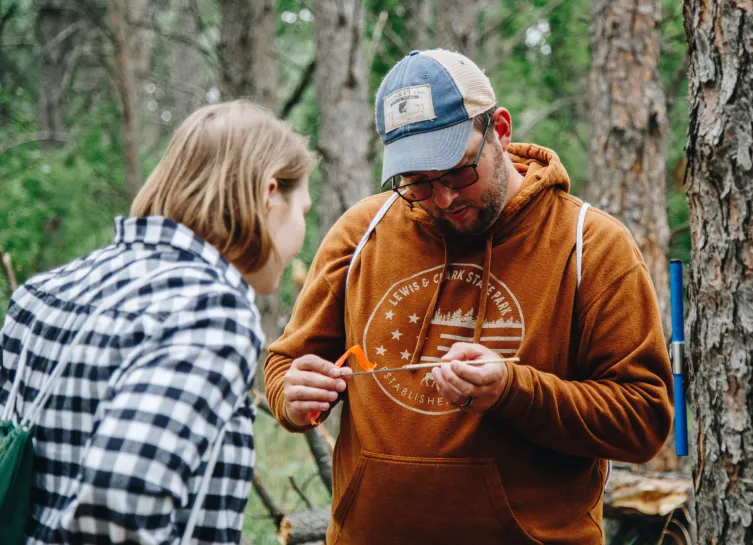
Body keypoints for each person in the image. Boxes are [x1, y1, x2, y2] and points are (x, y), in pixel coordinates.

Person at [264, 50, 673, 545]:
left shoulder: (591, 244)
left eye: (456, 171)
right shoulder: (361, 231)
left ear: (500, 130)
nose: (442, 197)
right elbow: (286, 366)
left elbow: (643, 418)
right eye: (416, 181)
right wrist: (292, 396)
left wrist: (513, 391)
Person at [0, 100, 315, 544]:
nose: (301, 237)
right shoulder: (210, 312)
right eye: (302, 209)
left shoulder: (46, 291)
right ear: (268, 195)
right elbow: (118, 507)